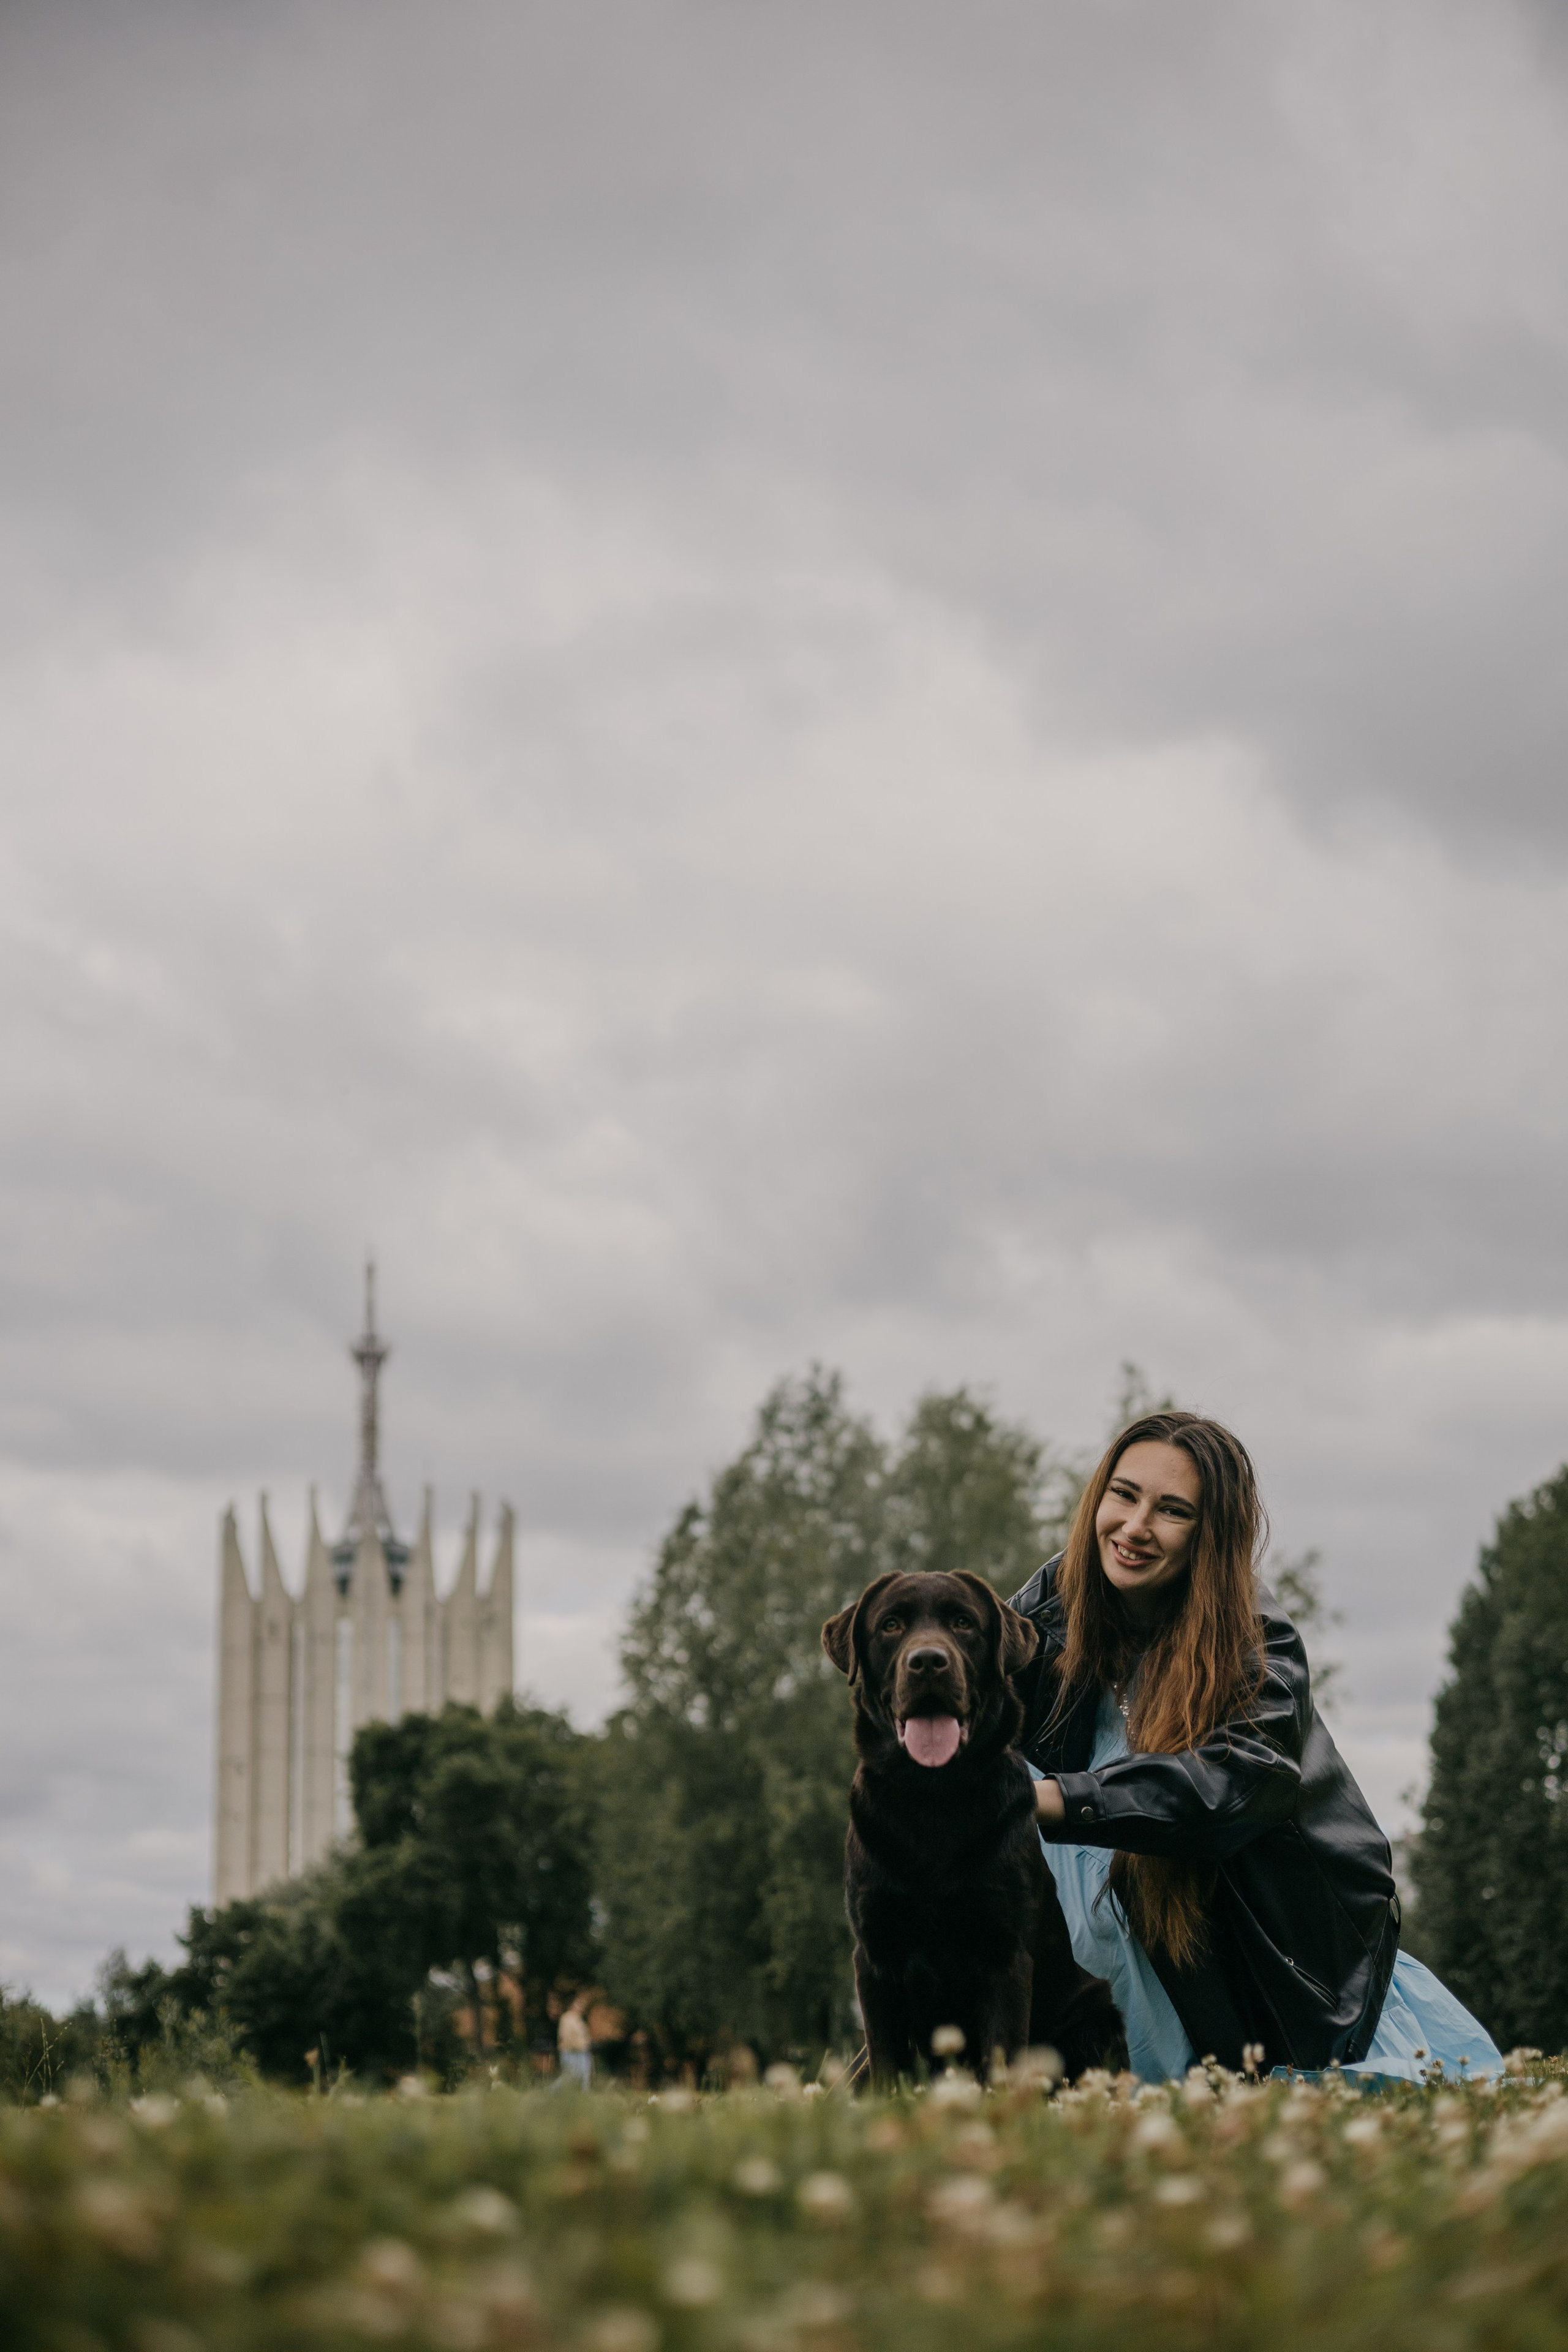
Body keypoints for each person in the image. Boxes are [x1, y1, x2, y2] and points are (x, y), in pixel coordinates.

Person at [1012, 1410, 1501, 2084]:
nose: (1135, 1527)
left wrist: (1047, 1798)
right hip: (1092, 1936)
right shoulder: (1051, 1605)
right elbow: (966, 1693)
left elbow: (1227, 1786)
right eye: (1123, 1495)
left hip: (1258, 1954)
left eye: (1172, 1510)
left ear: (1209, 1536)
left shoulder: (1259, 1645)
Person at [556, 1989, 594, 2089]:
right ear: (572, 2004)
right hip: (571, 2052)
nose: (581, 2006)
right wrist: (577, 2045)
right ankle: (549, 2093)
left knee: (584, 2076)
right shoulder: (567, 2018)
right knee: (569, 2077)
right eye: (579, 2004)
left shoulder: (579, 2019)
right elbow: (565, 2036)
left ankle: (585, 2095)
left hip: (582, 2051)